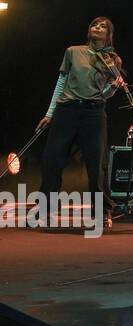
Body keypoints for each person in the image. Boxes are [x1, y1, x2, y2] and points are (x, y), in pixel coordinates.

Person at [36, 16, 126, 222]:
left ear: (108, 35)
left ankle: (103, 212)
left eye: (103, 26)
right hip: (67, 110)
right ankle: (44, 209)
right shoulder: (73, 52)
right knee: (53, 160)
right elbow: (62, 82)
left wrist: (113, 87)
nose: (97, 27)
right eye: (94, 24)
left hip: (93, 113)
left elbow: (103, 93)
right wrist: (50, 114)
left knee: (97, 165)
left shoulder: (113, 60)